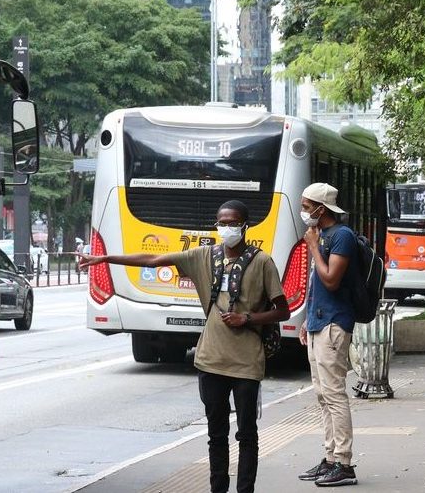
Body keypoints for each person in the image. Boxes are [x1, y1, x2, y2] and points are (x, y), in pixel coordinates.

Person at [79, 200, 289, 493]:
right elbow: (153, 260)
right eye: (221, 223)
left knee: (247, 435)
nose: (226, 228)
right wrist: (104, 259)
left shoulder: (262, 262)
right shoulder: (203, 256)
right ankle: (218, 489)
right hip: (210, 361)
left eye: (232, 223)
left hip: (247, 364)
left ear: (245, 226)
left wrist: (247, 318)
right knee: (216, 435)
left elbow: (283, 311)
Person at [296, 182, 359, 487]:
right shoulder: (321, 236)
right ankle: (330, 458)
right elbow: (315, 285)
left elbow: (331, 280)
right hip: (318, 322)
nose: (304, 212)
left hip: (334, 324)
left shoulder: (341, 236)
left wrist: (312, 246)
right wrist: (307, 320)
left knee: (334, 395)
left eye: (307, 206)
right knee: (322, 396)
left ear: (322, 209)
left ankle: (344, 463)